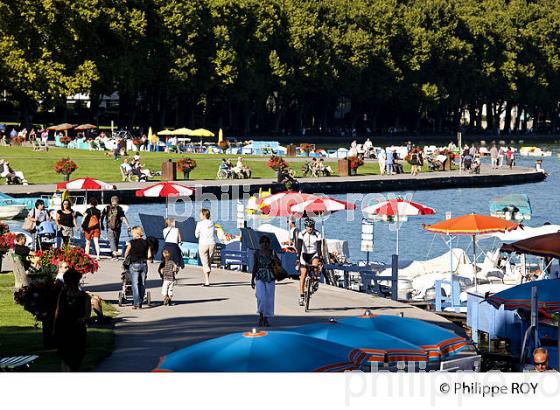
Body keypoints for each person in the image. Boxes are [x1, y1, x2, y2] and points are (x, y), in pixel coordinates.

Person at [53, 267, 91, 371]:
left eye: (70, 282)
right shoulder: (62, 296)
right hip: (64, 329)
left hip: (77, 330)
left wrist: (82, 320)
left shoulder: (84, 297)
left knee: (77, 357)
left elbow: (87, 314)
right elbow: (58, 311)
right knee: (65, 357)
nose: (68, 284)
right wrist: (55, 328)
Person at [251, 235, 278, 327]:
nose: (265, 244)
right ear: (260, 244)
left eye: (267, 242)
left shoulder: (272, 252)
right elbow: (255, 266)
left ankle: (266, 318)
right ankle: (261, 315)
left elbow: (279, 264)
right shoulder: (256, 253)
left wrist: (275, 259)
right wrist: (252, 278)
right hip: (259, 276)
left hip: (270, 276)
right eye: (263, 242)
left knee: (269, 298)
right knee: (260, 297)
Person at [124, 226, 152, 309]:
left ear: (135, 233)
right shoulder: (147, 242)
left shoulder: (131, 242)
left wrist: (126, 258)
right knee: (142, 283)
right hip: (143, 264)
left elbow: (126, 253)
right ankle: (140, 300)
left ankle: (137, 303)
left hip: (134, 264)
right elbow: (149, 255)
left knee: (135, 284)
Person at [296, 218, 322, 306]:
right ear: (305, 227)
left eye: (311, 227)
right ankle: (302, 296)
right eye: (308, 227)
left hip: (314, 254)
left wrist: (320, 257)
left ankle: (315, 280)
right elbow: (299, 247)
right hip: (304, 255)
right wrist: (297, 258)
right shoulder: (302, 234)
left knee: (315, 267)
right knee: (302, 275)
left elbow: (319, 247)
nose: (309, 228)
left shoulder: (317, 234)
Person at [195, 208, 216, 287]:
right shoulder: (212, 223)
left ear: (204, 215)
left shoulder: (199, 224)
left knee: (205, 262)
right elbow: (214, 232)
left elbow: (196, 235)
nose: (199, 215)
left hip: (203, 243)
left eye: (200, 214)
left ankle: (207, 281)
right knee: (209, 261)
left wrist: (201, 234)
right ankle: (207, 279)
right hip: (212, 243)